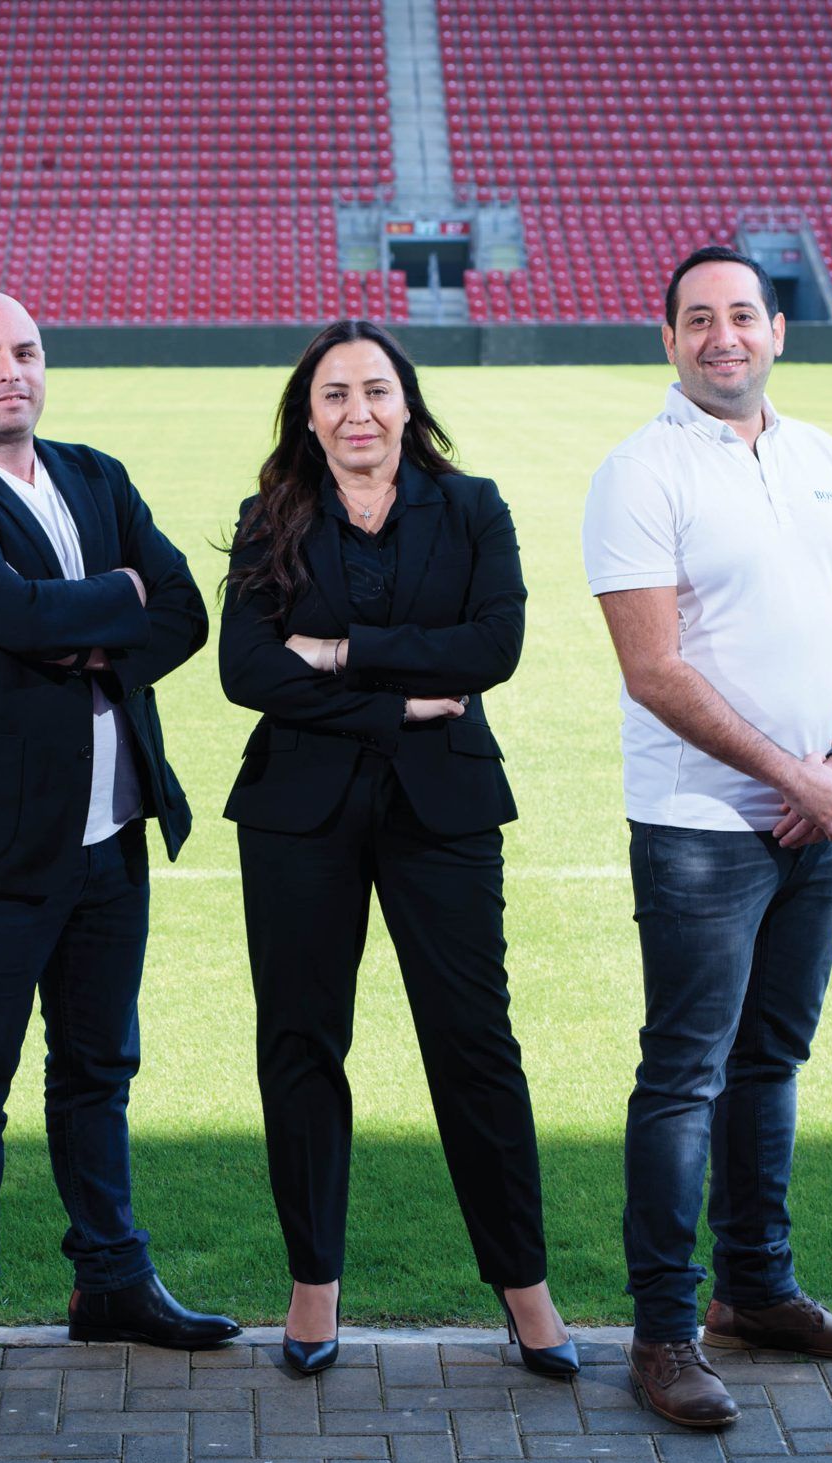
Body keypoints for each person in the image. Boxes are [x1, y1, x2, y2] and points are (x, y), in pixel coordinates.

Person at [0, 291, 239, 1411]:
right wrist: (105, 604)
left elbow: (182, 610)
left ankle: (111, 1281)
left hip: (109, 834)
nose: (10, 371)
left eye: (26, 351)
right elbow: (16, 614)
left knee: (98, 1070)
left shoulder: (95, 475)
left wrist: (87, 629)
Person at [220, 320, 575, 1382]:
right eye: (334, 394)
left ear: (406, 401)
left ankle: (527, 1292)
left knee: (474, 1045)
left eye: (375, 389)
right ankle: (312, 1286)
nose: (357, 411)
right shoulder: (270, 516)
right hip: (298, 813)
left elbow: (493, 646)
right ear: (308, 415)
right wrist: (396, 703)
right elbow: (246, 669)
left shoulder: (472, 507)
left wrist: (340, 651)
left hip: (444, 807)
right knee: (300, 1042)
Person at [584, 244, 832, 1433]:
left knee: (770, 1061)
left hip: (825, 814)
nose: (723, 335)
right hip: (701, 829)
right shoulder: (639, 471)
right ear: (667, 340)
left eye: (742, 315)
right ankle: (664, 1332)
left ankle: (755, 1292)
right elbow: (653, 667)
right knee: (683, 1076)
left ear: (777, 330)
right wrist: (790, 775)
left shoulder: (821, 456)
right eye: (698, 319)